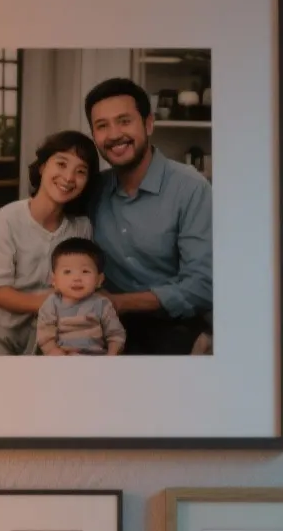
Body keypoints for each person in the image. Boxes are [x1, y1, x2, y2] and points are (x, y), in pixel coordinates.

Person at [83, 78, 215, 354]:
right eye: (102, 125)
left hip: (177, 326)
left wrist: (120, 302)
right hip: (106, 326)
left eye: (124, 121)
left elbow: (202, 285)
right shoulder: (93, 189)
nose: (114, 134)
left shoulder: (190, 187)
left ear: (149, 124)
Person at [0, 130, 98, 355]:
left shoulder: (82, 227)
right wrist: (50, 303)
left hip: (53, 339)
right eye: (61, 164)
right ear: (42, 167)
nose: (68, 178)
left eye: (81, 172)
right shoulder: (5, 220)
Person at [36, 237, 125, 356]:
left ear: (99, 280)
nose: (77, 278)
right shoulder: (52, 303)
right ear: (54, 280)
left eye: (85, 271)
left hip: (96, 361)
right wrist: (55, 353)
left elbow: (116, 335)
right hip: (62, 360)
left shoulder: (102, 304)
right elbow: (45, 335)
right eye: (67, 272)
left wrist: (111, 355)